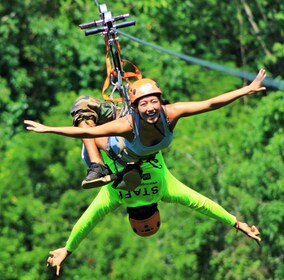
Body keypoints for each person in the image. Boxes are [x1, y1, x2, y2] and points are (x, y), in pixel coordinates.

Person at [24, 69, 266, 190]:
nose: (151, 108)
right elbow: (84, 132)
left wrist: (246, 89)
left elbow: (211, 103)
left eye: (154, 102)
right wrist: (49, 129)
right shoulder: (127, 122)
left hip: (122, 151)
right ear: (135, 107)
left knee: (94, 126)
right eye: (144, 103)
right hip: (130, 138)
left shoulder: (170, 113)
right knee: (84, 105)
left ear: (161, 102)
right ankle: (99, 168)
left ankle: (108, 167)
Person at [46, 152, 261, 276]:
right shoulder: (115, 197)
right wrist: (68, 249)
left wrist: (236, 223)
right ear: (129, 217)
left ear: (157, 210)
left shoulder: (165, 190)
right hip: (108, 136)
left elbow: (203, 204)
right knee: (88, 154)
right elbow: (86, 222)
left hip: (145, 130)